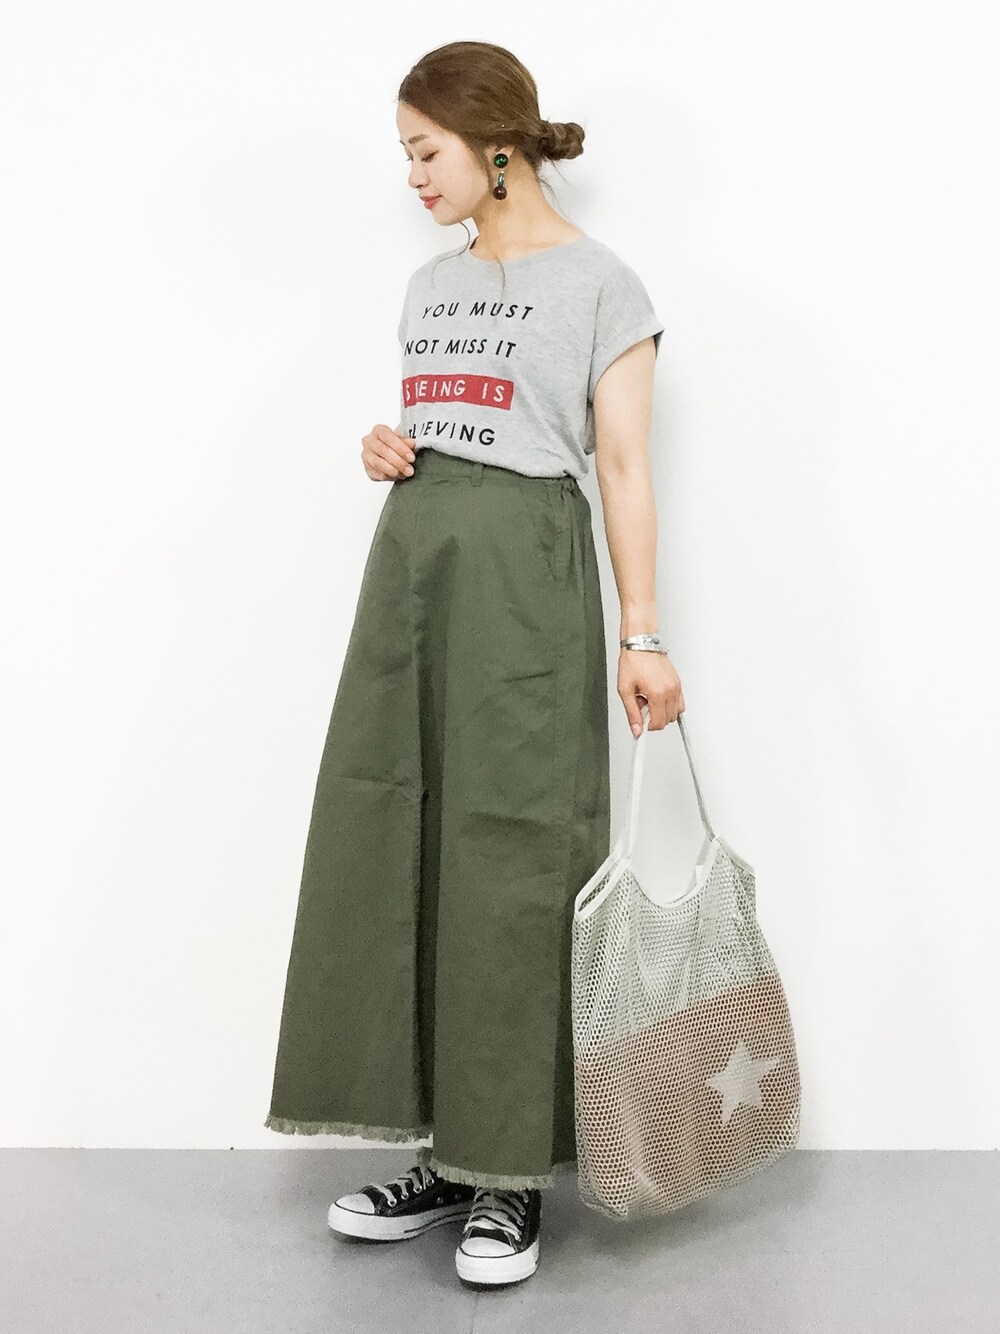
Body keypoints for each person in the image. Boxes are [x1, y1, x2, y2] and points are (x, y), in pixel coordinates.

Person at [264, 40, 685, 1289]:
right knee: (397, 836)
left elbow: (620, 466)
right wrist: (388, 444)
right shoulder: (429, 286)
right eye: (406, 154)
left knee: (512, 856)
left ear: (495, 143)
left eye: (424, 150)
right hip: (410, 572)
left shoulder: (602, 283)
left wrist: (643, 634)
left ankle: (509, 1170)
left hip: (523, 583)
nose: (412, 176)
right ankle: (443, 1153)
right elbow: (447, 417)